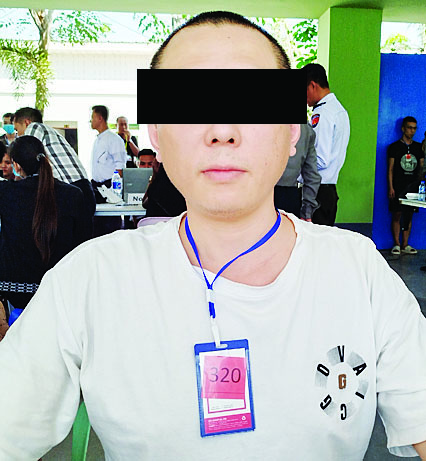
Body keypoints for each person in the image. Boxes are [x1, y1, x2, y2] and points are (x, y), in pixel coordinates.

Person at [0, 12, 425, 461]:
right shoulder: (90, 279)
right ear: (157, 133)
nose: (222, 131)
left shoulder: (358, 271)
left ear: (291, 133)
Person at [0, 136, 90, 311]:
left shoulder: (5, 193)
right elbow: (83, 243)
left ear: (16, 166)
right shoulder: (73, 195)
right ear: (46, 159)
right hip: (61, 290)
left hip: (14, 292)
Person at [13, 107, 95, 240]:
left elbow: (27, 152)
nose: (18, 135)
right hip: (79, 190)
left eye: (17, 130)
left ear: (27, 122)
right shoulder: (51, 134)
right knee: (78, 245)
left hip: (74, 190)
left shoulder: (35, 127)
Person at [304, 63, 350, 226]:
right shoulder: (338, 110)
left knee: (311, 240)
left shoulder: (323, 113)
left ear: (312, 85)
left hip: (317, 192)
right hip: (327, 190)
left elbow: (320, 159)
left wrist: (294, 173)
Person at [388, 116, 424, 255]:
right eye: (409, 128)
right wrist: (391, 187)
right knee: (397, 213)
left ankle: (405, 244)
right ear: (403, 128)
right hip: (398, 185)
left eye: (414, 128)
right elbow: (390, 169)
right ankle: (396, 244)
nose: (412, 131)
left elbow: (421, 167)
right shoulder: (394, 147)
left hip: (413, 187)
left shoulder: (419, 148)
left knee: (409, 215)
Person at [91, 105, 127, 236]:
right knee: (97, 228)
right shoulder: (97, 140)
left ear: (100, 118)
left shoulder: (114, 139)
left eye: (93, 117)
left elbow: (120, 167)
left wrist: (114, 191)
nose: (91, 121)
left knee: (110, 228)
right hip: (96, 186)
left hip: (110, 187)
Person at [274, 123, 320, 220]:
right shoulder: (306, 129)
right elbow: (312, 175)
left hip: (263, 197)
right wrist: (307, 211)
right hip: (290, 198)